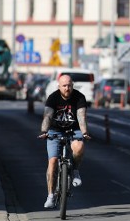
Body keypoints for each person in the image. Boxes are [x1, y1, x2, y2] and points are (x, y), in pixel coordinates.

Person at [38, 72, 91, 208]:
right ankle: (50, 195)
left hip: (74, 130)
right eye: (64, 86)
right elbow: (48, 116)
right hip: (55, 130)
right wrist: (44, 131)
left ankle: (75, 171)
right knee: (53, 161)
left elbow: (81, 116)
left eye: (69, 85)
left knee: (79, 147)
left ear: (73, 85)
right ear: (59, 86)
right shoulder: (53, 97)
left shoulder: (79, 97)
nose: (67, 88)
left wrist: (84, 132)